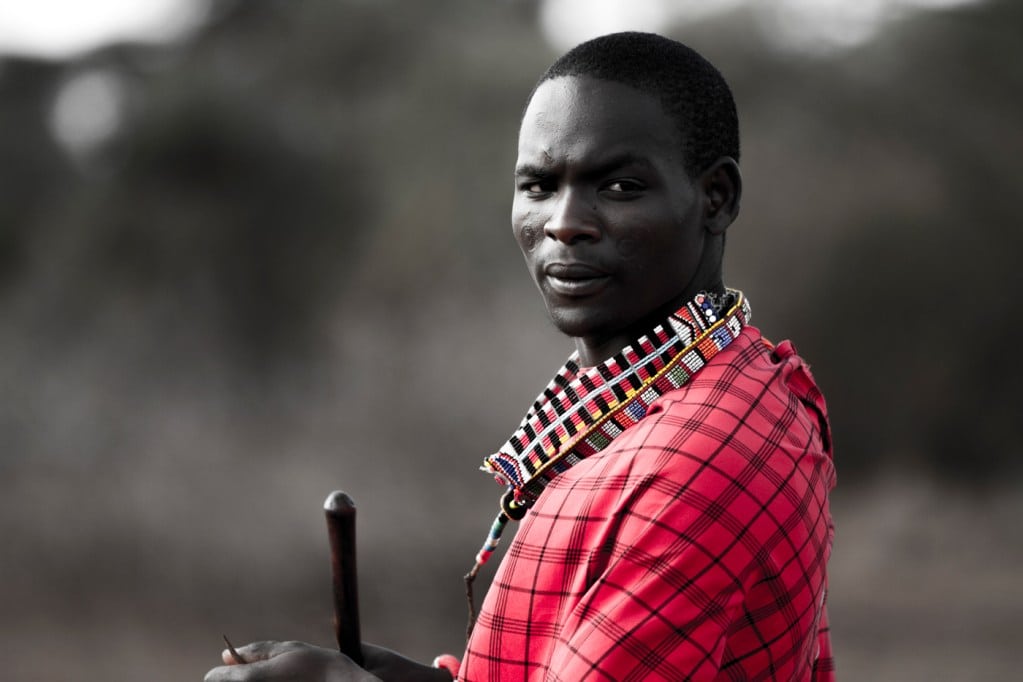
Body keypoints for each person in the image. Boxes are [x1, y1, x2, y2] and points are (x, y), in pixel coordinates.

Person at [205, 31, 836, 682]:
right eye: (538, 185)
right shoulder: (718, 390)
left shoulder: (692, 464)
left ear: (716, 198)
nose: (564, 222)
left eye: (618, 186)